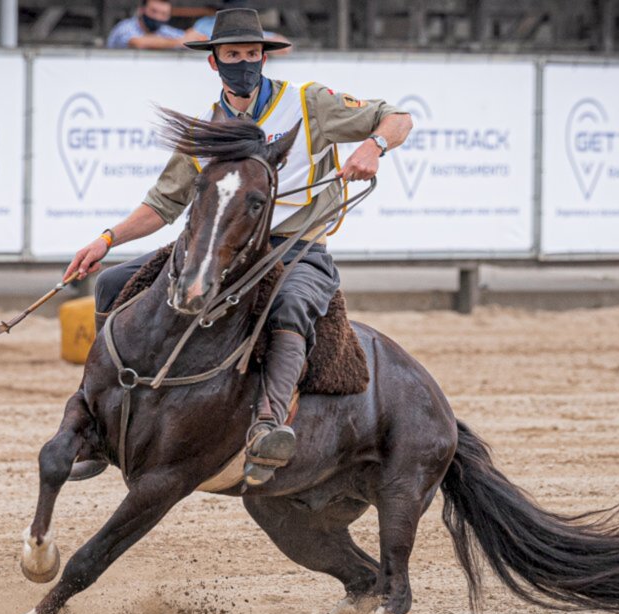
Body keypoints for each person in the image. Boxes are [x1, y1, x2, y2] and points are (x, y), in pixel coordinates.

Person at [67, 8, 413, 485]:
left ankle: (268, 425)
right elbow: (163, 204)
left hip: (294, 248)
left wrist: (373, 145)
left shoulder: (309, 104)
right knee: (111, 283)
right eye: (234, 55)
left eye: (252, 53)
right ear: (215, 63)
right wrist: (106, 240)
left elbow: (397, 118)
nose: (245, 62)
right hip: (220, 250)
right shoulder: (204, 131)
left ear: (264, 58)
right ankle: (96, 420)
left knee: (291, 307)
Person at [106, 0, 203, 50]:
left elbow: (195, 40)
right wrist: (180, 42)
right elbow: (138, 43)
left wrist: (193, 37)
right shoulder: (125, 27)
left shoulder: (164, 30)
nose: (158, 17)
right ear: (141, 10)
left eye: (164, 14)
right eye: (154, 11)